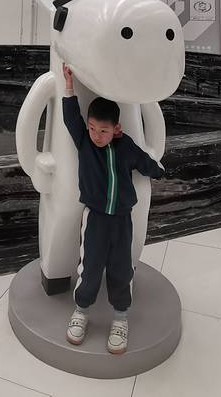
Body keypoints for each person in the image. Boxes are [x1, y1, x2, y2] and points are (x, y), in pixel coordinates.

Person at [61, 62, 165, 355]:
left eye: (103, 130)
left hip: (122, 220)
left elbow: (144, 162)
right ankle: (81, 310)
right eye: (93, 128)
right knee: (90, 266)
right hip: (95, 218)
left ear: (116, 129)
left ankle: (120, 317)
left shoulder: (126, 146)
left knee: (121, 267)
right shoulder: (84, 143)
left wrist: (158, 170)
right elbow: (71, 118)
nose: (96, 135)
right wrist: (68, 86)